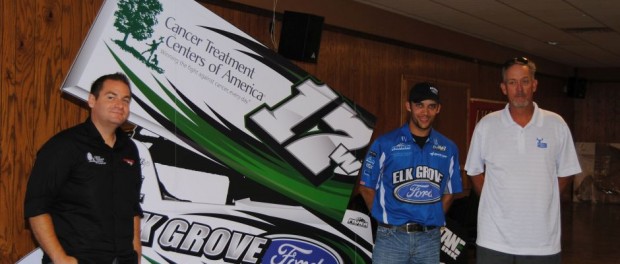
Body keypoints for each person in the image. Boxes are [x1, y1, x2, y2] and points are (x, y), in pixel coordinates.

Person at [464, 57, 582, 264]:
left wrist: (544, 195)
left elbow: (567, 171)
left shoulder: (556, 124)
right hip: (494, 240)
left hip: (542, 241)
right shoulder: (487, 125)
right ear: (503, 88)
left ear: (534, 85)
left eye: (525, 81)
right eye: (512, 82)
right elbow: (473, 171)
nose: (519, 89)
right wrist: (494, 199)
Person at [24, 73, 143, 264]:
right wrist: (60, 258)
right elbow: (36, 207)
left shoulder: (129, 149)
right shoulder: (64, 146)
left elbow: (133, 209)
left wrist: (136, 253)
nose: (119, 105)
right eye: (111, 97)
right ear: (92, 100)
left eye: (125, 100)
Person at [359, 82, 463, 264]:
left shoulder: (448, 148)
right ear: (409, 106)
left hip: (429, 240)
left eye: (431, 106)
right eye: (419, 105)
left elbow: (450, 192)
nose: (425, 112)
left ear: (438, 109)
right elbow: (367, 187)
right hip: (391, 237)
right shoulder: (385, 144)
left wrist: (432, 216)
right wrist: (385, 219)